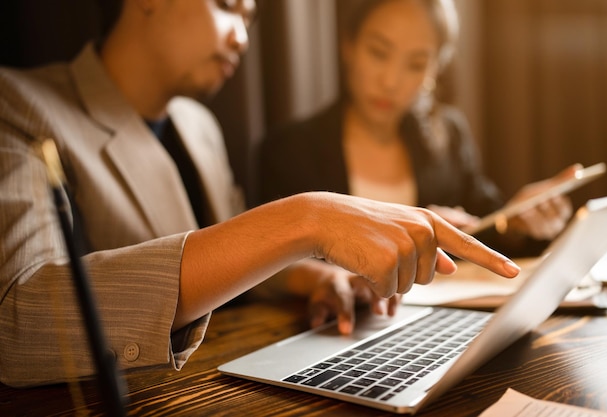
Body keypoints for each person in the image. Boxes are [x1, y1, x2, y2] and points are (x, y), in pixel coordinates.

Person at [0, 0, 521, 388]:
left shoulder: (199, 126)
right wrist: (308, 219)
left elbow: (236, 266)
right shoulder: (19, 105)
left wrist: (316, 276)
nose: (242, 38)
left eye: (250, 19)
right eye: (227, 6)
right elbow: (17, 324)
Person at [257, 0, 576, 257]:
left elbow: (486, 230)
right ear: (348, 46)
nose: (390, 81)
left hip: (434, 321)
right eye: (379, 53)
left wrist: (516, 221)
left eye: (415, 64)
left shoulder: (448, 136)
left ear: (435, 70)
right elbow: (271, 265)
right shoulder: (289, 149)